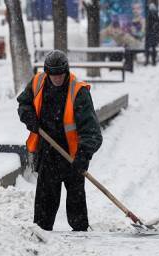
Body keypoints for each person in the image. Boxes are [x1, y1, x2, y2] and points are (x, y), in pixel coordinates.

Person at [17, 50, 103, 231]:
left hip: (73, 154)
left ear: (66, 71)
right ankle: (41, 233)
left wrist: (83, 155)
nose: (57, 79)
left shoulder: (78, 92)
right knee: (45, 201)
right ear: (47, 73)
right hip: (47, 152)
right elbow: (24, 103)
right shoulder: (38, 82)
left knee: (76, 202)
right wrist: (29, 116)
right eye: (53, 75)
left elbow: (92, 132)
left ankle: (80, 236)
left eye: (60, 75)